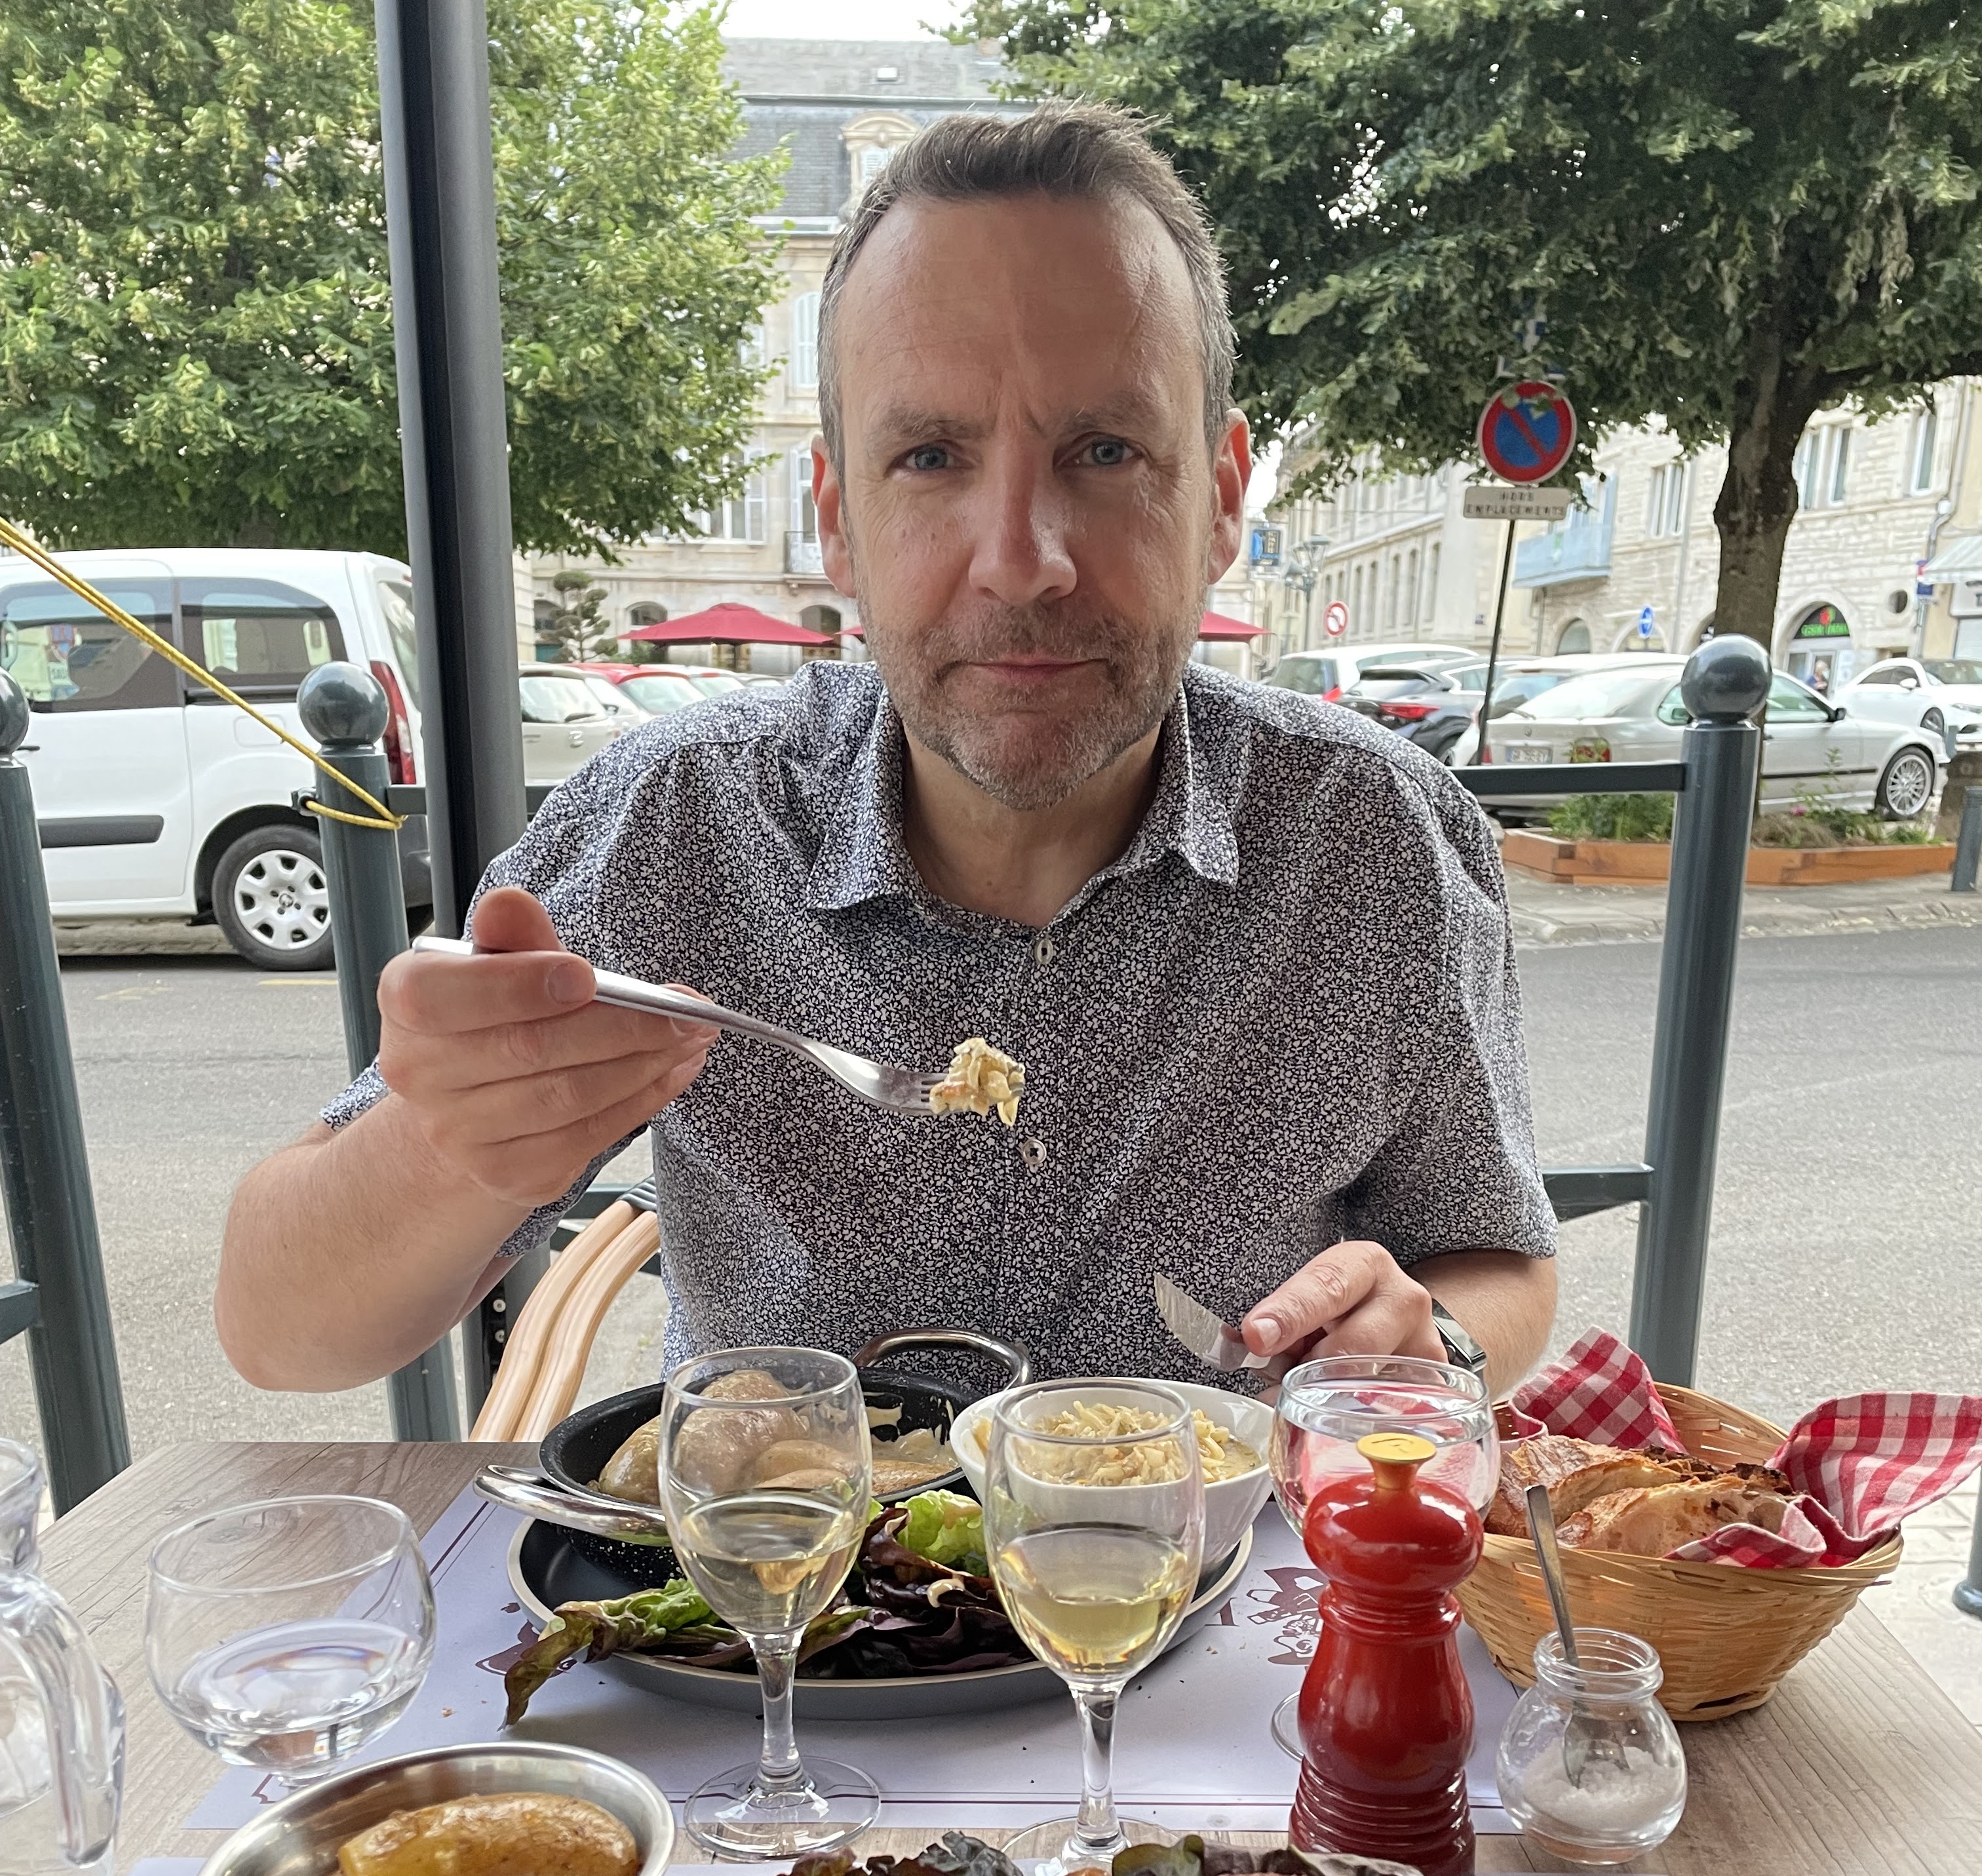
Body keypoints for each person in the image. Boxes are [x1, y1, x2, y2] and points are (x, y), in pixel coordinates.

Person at [216, 104, 1557, 1399]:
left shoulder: (1378, 837)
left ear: (1216, 500)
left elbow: (1495, 1250)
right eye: (929, 456)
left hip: (1220, 1554)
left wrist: (1430, 1341)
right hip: (791, 1554)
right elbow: (281, 1333)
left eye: (1104, 450)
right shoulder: (674, 825)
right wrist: (450, 1147)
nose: (1022, 562)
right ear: (837, 517)